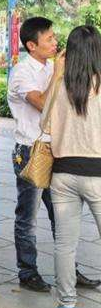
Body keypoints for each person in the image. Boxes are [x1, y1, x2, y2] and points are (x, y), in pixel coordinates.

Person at [7, 17, 99, 292]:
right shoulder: (22, 73)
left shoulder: (54, 67)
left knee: (62, 220)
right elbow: (43, 106)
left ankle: (69, 273)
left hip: (58, 154)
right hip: (31, 153)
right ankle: (28, 271)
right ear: (32, 45)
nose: (55, 43)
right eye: (49, 39)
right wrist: (59, 74)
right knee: (29, 218)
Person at [45, 25, 101, 308]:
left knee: (64, 245)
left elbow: (45, 123)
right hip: (98, 174)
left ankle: (67, 302)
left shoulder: (59, 84)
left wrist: (56, 73)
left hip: (63, 174)